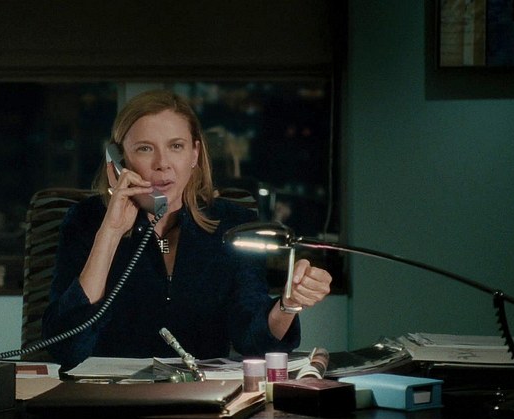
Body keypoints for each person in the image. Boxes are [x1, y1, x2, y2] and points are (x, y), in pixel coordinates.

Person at [42, 90, 332, 369]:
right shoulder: (86, 220)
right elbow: (66, 348)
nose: (162, 164)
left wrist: (288, 305)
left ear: (194, 154)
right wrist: (111, 232)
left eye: (176, 146)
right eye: (145, 148)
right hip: (109, 397)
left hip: (200, 394)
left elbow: (253, 341)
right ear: (117, 161)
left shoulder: (233, 224)